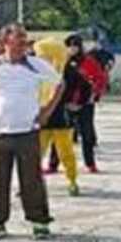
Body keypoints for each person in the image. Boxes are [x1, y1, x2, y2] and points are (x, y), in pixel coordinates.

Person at [0, 23, 60, 241]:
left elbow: (60, 83)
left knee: (31, 179)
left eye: (25, 38)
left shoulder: (35, 65)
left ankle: (39, 221)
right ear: (5, 41)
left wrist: (47, 110)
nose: (23, 42)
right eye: (18, 37)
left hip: (27, 131)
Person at [34, 37, 86, 197]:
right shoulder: (35, 70)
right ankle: (31, 184)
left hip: (61, 118)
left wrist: (77, 104)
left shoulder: (68, 70)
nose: (39, 57)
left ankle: (72, 181)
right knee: (35, 153)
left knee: (66, 153)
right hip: (40, 118)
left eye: (42, 54)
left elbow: (86, 87)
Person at [65, 34, 107, 173]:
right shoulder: (63, 62)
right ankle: (54, 164)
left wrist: (94, 94)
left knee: (87, 134)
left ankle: (90, 163)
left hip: (85, 103)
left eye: (75, 46)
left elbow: (100, 79)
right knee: (61, 134)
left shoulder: (89, 61)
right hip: (66, 103)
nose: (72, 49)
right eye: (69, 46)